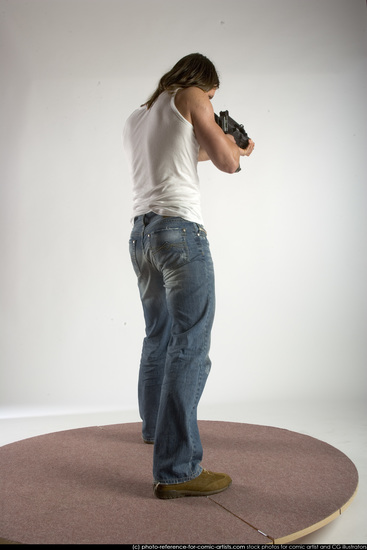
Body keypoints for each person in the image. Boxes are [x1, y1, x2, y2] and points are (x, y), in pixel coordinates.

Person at [123, 53, 255, 499]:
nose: (210, 102)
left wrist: (231, 142)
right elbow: (226, 163)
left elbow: (188, 151)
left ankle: (154, 429)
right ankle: (178, 469)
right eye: (211, 96)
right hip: (179, 233)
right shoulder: (193, 94)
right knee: (190, 344)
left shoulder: (139, 117)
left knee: (157, 335)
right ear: (204, 83)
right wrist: (238, 152)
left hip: (142, 236)